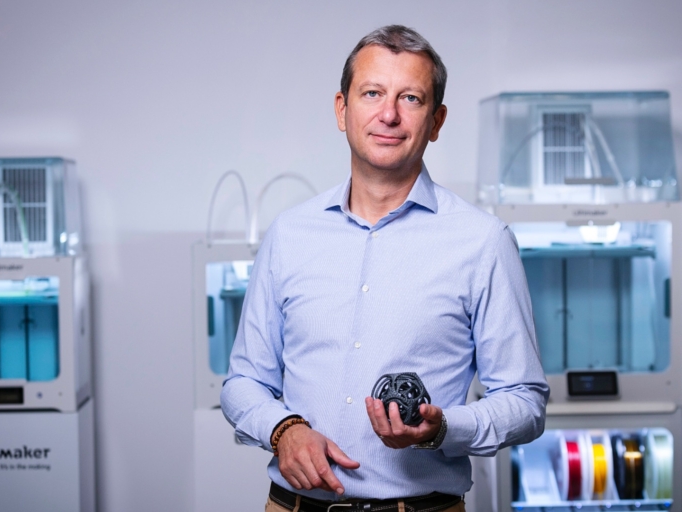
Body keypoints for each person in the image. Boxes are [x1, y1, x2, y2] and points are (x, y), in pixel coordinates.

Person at [221, 24, 548, 512]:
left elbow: (525, 401)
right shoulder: (289, 235)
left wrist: (442, 429)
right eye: (372, 93)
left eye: (410, 98)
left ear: (436, 121)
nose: (389, 114)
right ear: (342, 109)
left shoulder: (483, 242)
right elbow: (243, 382)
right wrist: (283, 429)